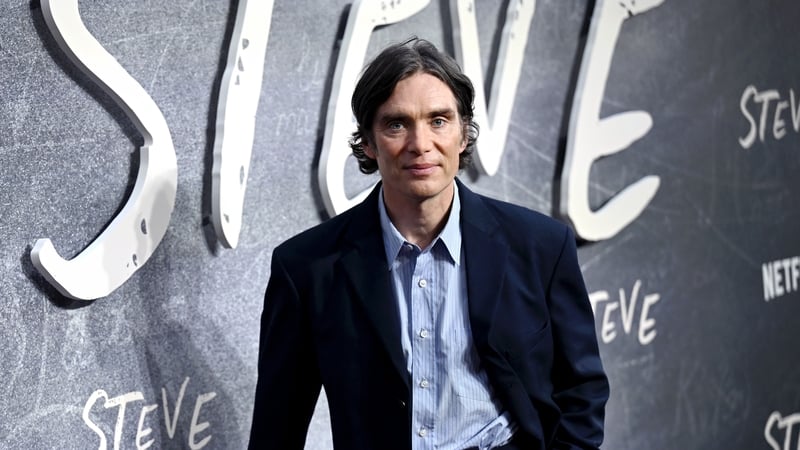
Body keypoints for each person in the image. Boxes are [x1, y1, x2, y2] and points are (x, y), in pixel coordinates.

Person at [249, 37, 609, 450]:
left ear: (463, 134)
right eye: (397, 124)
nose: (421, 144)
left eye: (439, 120)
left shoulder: (541, 246)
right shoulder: (307, 268)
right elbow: (277, 428)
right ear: (367, 141)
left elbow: (582, 390)